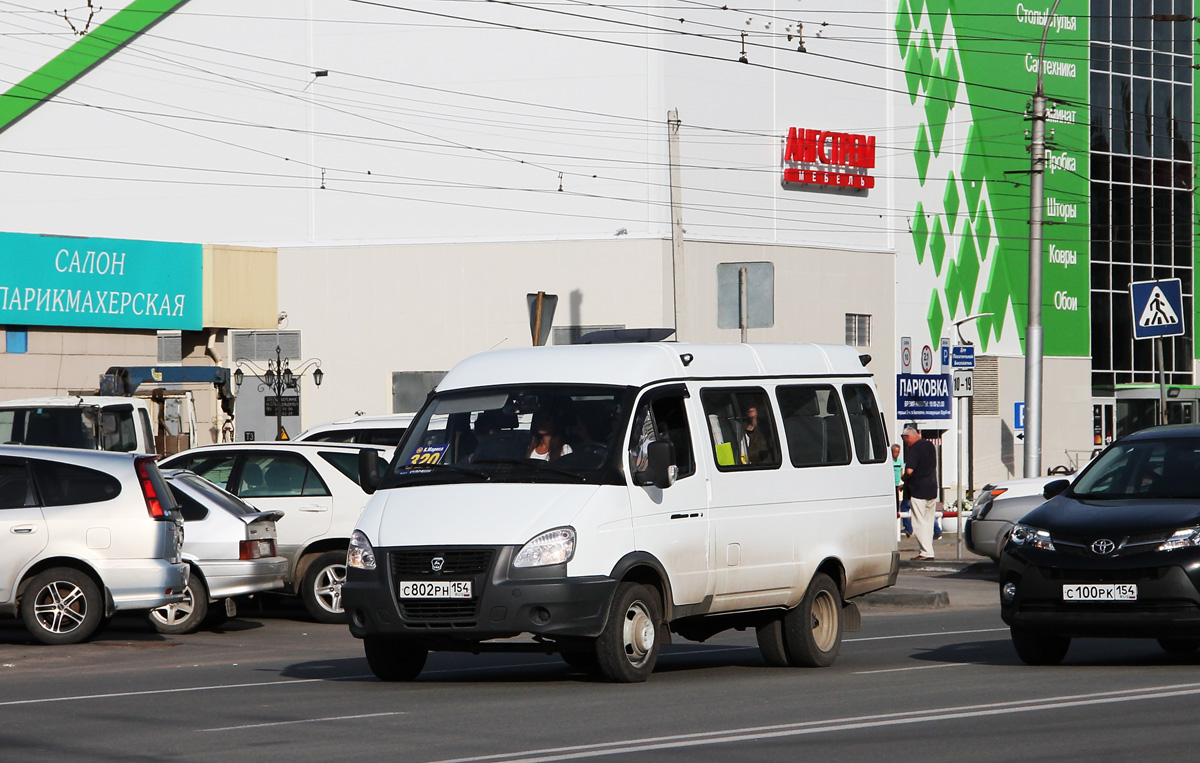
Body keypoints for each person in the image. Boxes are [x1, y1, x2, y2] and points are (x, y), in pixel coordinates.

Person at [900, 424, 939, 560]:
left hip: (918, 490)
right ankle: (929, 550)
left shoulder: (914, 449)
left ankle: (926, 552)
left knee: (917, 522)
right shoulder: (930, 446)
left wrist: (903, 478)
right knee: (928, 522)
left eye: (904, 439)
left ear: (908, 437)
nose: (905, 442)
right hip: (932, 488)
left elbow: (909, 471)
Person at [892, 444, 910, 538]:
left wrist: (904, 483)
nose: (896, 453)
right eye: (895, 451)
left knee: (898, 505)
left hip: (898, 484)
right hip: (891, 484)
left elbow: (901, 472)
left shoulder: (899, 461)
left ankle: (904, 526)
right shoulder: (890, 461)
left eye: (898, 452)